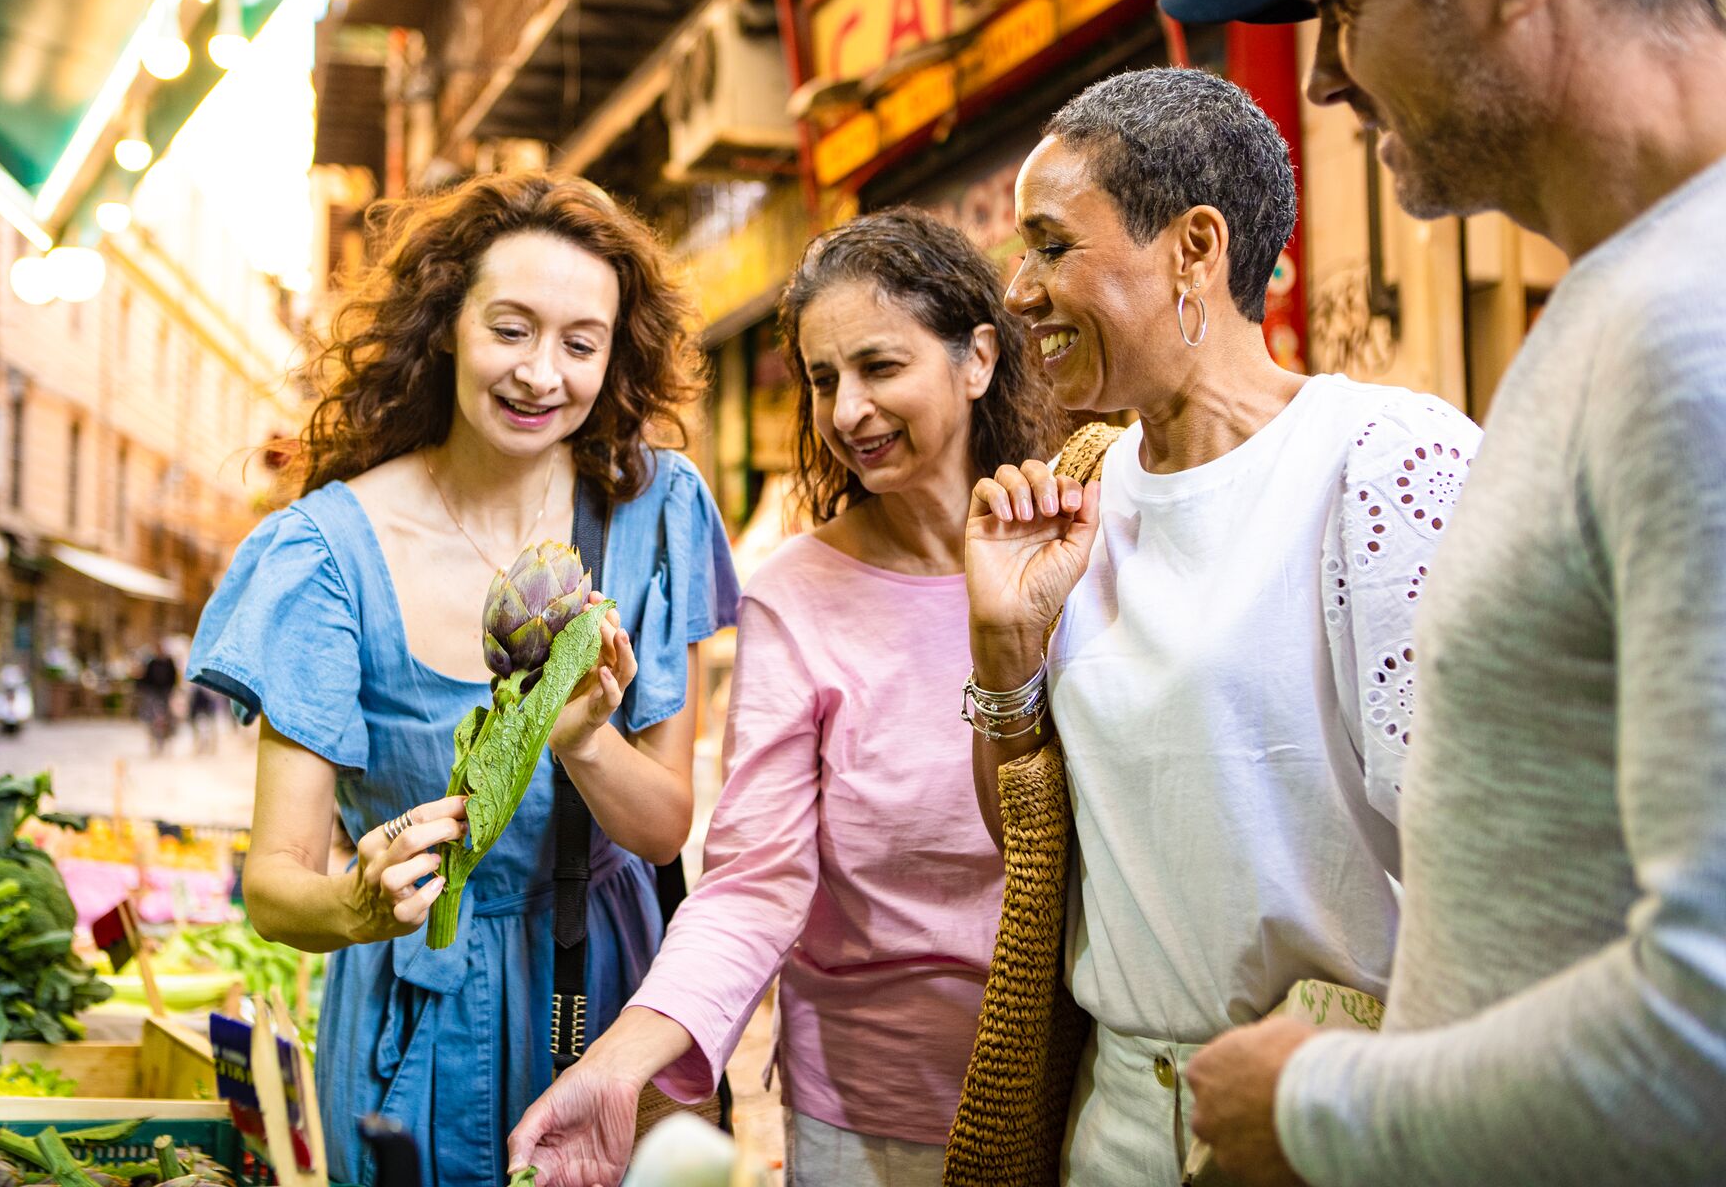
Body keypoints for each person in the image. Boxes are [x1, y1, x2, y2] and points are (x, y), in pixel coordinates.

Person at [1154, 0, 1726, 1185]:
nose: (1322, 78)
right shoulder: (1626, 304)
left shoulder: (1691, 333)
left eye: (1342, 6)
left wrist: (1324, 1106)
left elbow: (1711, 1024)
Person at [962, 67, 1481, 1186]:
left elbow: (1489, 864)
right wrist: (1004, 651)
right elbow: (1040, 857)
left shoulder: (1381, 462)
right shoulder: (1079, 487)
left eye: (1052, 245)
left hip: (1323, 1116)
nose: (1018, 289)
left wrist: (1350, 1094)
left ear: (1195, 247)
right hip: (1117, 1122)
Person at [187, 173, 740, 1187]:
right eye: (511, 329)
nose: (542, 373)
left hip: (604, 996)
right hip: (415, 1017)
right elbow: (274, 882)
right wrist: (355, 904)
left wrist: (579, 738)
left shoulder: (654, 511)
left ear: (615, 353)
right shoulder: (325, 554)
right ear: (447, 326)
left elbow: (664, 825)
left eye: (581, 342)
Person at [506, 209, 1065, 1186]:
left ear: (977, 358)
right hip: (866, 1121)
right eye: (821, 379)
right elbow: (754, 879)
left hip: (1076, 1090)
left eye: (879, 367)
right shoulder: (795, 593)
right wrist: (616, 1062)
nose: (848, 409)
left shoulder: (1071, 545)